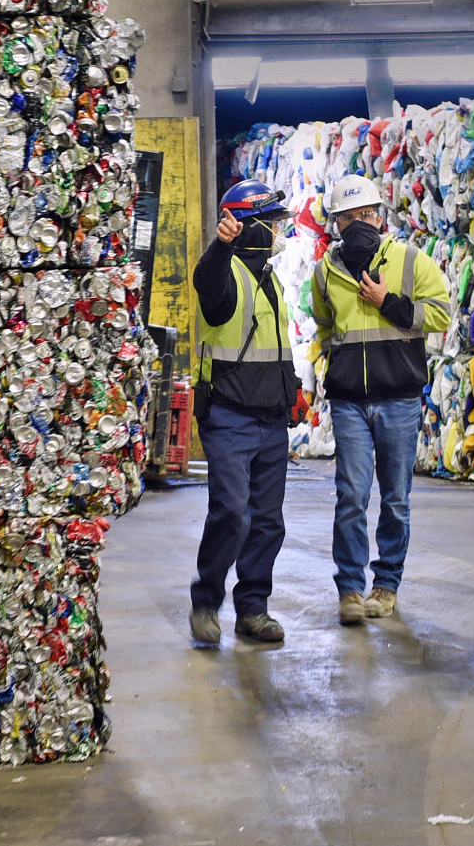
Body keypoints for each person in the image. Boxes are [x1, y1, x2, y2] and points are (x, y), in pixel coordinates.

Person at [309, 175, 452, 626]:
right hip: (350, 399)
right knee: (350, 494)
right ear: (335, 223)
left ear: (380, 216)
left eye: (365, 215)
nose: (357, 224)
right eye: (347, 218)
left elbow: (442, 313)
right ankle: (350, 589)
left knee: (396, 498)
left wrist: (388, 301)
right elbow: (325, 326)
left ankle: (386, 585)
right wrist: (324, 372)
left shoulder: (411, 261)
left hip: (399, 398)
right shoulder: (324, 271)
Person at [188, 180, 297, 647]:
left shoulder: (269, 276)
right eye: (272, 223)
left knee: (268, 520)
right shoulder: (225, 274)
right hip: (230, 416)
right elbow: (207, 283)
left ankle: (253, 609)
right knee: (233, 513)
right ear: (248, 227)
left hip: (272, 417)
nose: (279, 231)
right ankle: (206, 602)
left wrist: (293, 393)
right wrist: (220, 246)